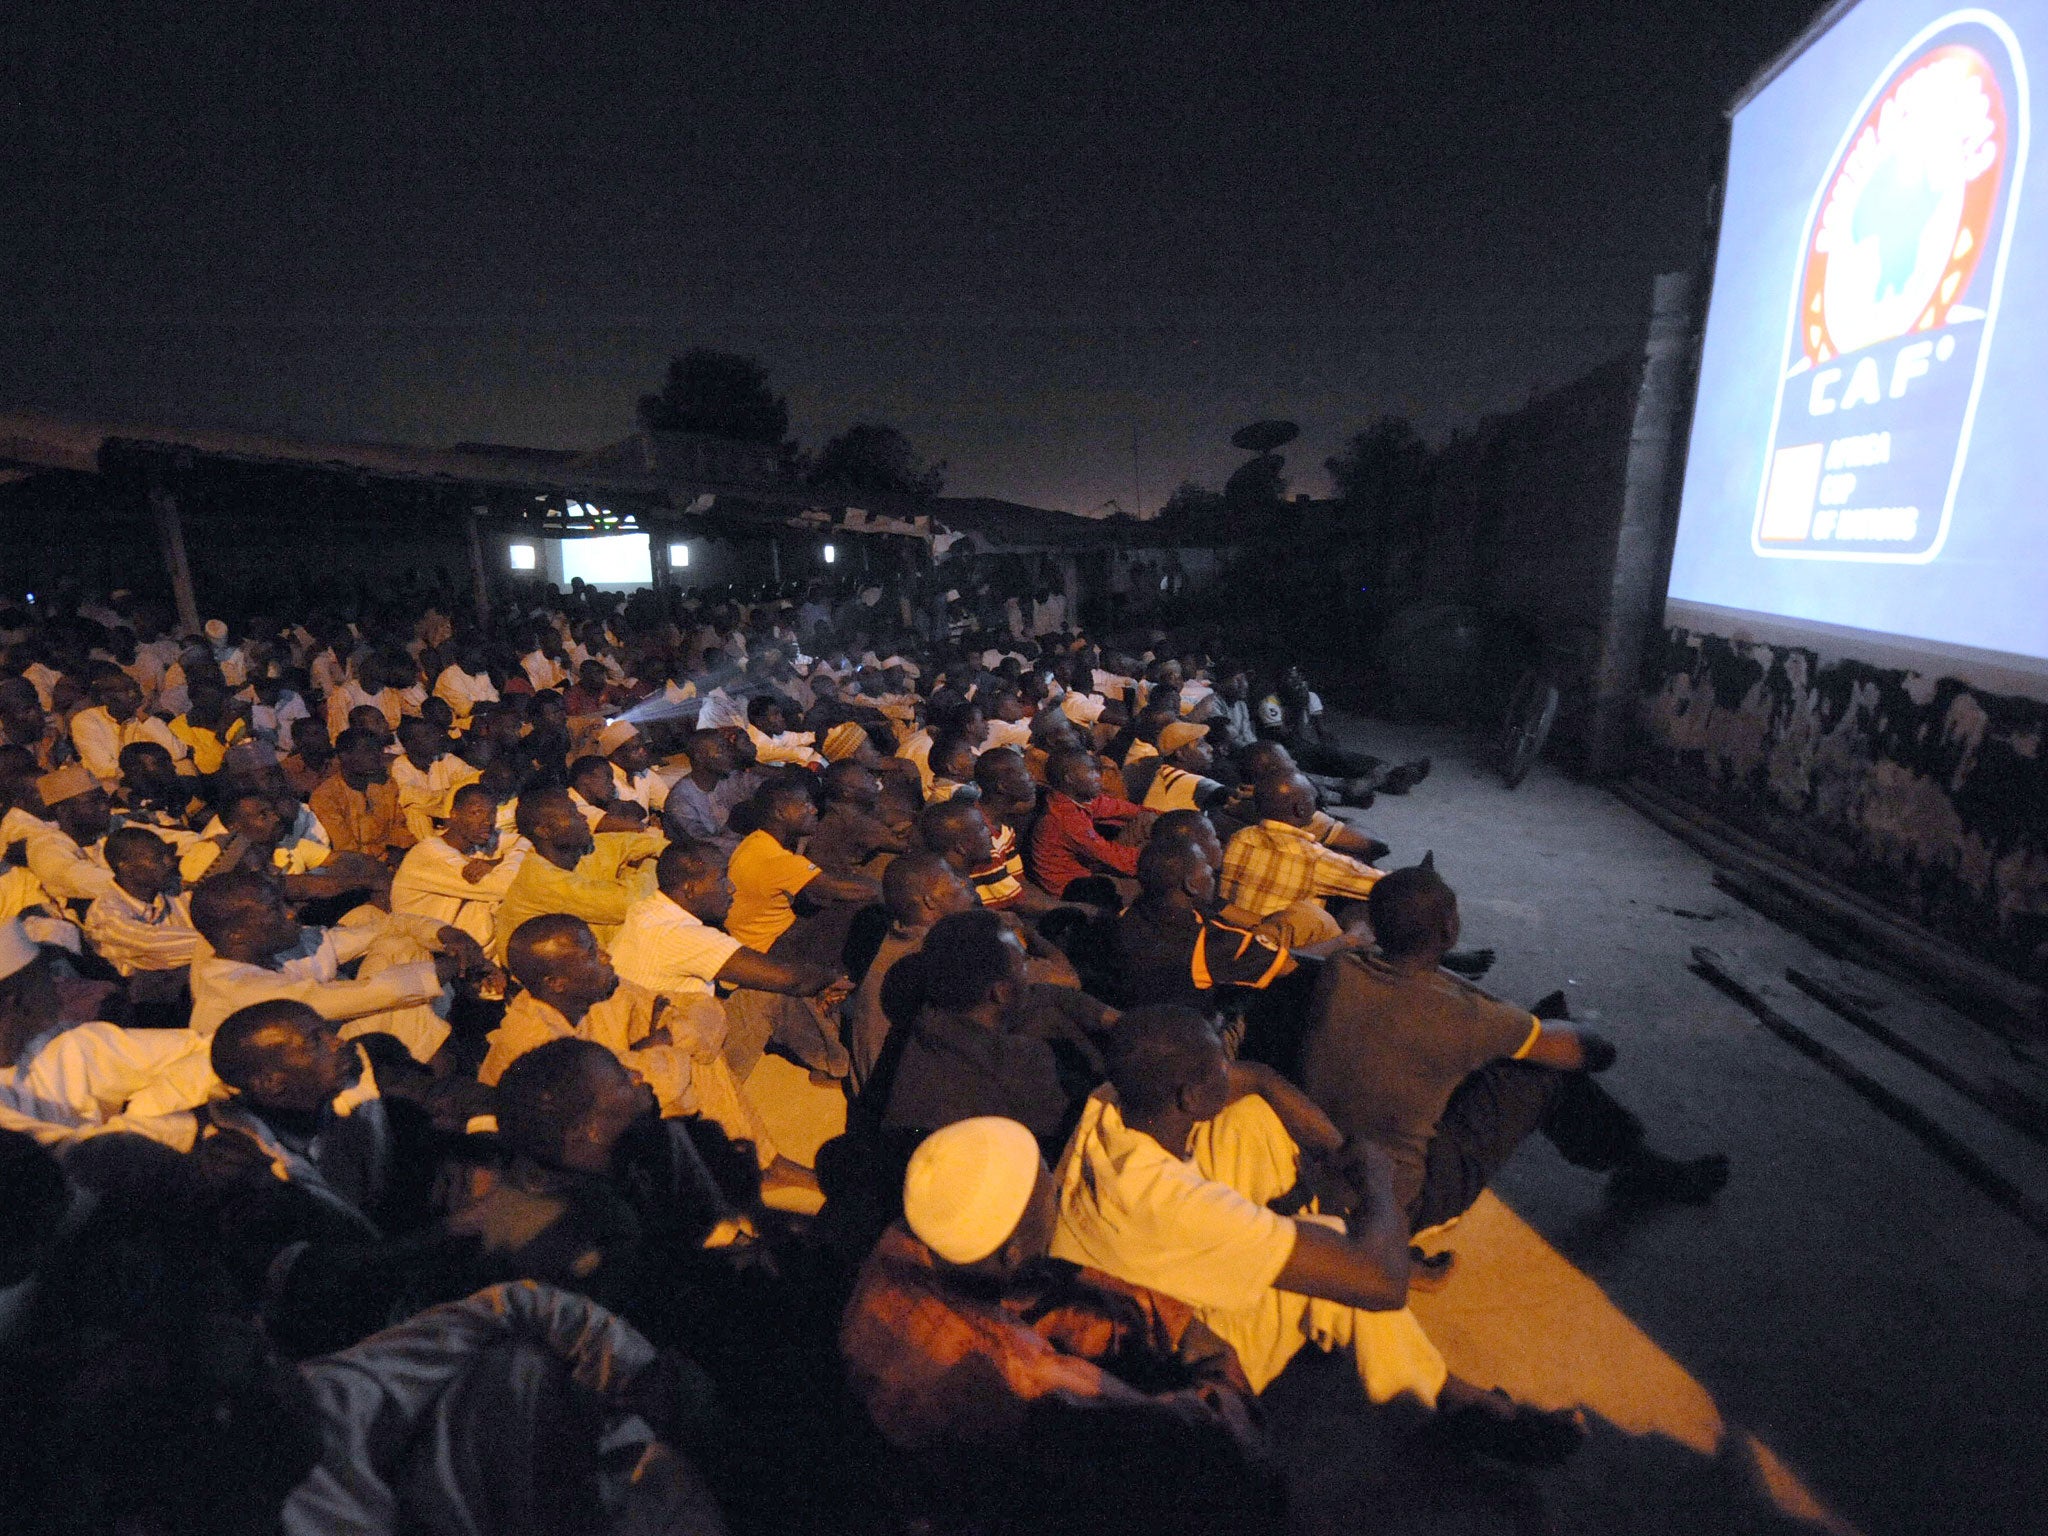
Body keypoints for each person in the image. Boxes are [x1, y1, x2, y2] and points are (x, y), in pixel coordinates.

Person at [1050, 1005, 1586, 1462]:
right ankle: (1448, 1396)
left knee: (1249, 1118)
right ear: (1191, 1095)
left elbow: (1255, 1078)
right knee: (1354, 1266)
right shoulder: (1169, 1202)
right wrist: (1375, 1180)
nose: (1228, 1069)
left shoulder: (1115, 1103)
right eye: (1218, 1065)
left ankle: (1343, 1255)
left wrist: (1337, 1152)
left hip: (1132, 1287)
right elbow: (1381, 1285)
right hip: (1178, 1356)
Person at [840, 1117, 1276, 1534]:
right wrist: (1215, 1365)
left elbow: (1046, 1294)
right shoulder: (1009, 1376)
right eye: (1049, 1199)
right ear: (1012, 1252)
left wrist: (1162, 1319)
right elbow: (1201, 1445)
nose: (1061, 1200)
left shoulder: (914, 1243)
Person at [1301, 863, 1729, 1236]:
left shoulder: (1339, 971)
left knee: (1513, 1045)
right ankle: (1644, 1168)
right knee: (1546, 1071)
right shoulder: (1465, 1019)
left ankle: (1636, 1161)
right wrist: (1549, 1028)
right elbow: (1598, 1053)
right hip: (1395, 1203)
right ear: (1450, 931)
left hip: (1330, 1168)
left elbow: (1419, 990)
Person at [483, 913, 807, 1196]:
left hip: (614, 1117)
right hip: (560, 1164)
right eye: (591, 954)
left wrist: (665, 1036)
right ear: (556, 982)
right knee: (682, 1069)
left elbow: (696, 1005)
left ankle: (763, 1163)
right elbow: (650, 1086)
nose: (606, 956)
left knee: (693, 1049)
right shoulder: (539, 1041)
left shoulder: (597, 992)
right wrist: (663, 1048)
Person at [190, 998, 426, 1242]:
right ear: (272, 1083)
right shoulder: (241, 1168)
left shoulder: (367, 1078)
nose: (337, 1043)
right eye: (315, 1041)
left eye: (328, 1031)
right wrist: (450, 1229)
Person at [611, 840, 851, 1080]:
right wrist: (830, 979)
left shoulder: (645, 911)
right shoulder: (684, 937)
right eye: (721, 879)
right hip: (667, 1065)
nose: (731, 888)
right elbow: (788, 980)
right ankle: (836, 1064)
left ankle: (832, 1056)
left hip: (638, 1042)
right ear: (690, 889)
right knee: (767, 992)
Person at [186, 871, 484, 1062]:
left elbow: (386, 927)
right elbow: (368, 994)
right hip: (295, 1084)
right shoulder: (235, 990)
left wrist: (448, 935)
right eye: (274, 910)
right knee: (395, 998)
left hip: (324, 1049)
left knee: (398, 946)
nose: (291, 914)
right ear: (235, 933)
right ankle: (438, 1069)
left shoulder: (276, 949)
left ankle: (434, 1065)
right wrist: (455, 963)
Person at [879, 908, 1109, 1155]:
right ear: (1001, 992)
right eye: (1024, 961)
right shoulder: (1025, 1062)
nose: (1031, 970)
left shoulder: (922, 1030)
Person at [0, 917, 211, 1151]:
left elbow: (207, 1050)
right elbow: (65, 1153)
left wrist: (151, 1104)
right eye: (47, 977)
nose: (59, 983)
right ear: (17, 1001)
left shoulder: (65, 1044)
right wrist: (184, 1127)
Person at [847, 852, 977, 1090]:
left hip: (879, 1088)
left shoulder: (897, 938)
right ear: (930, 902)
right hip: (898, 1099)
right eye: (951, 879)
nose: (962, 883)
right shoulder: (934, 957)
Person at [492, 787, 664, 962]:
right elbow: (630, 902)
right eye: (573, 813)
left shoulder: (580, 849)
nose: (583, 817)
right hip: (549, 978)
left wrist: (645, 862)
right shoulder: (540, 881)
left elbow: (653, 844)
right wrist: (652, 863)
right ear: (544, 831)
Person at [724, 778, 877, 964]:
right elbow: (849, 890)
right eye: (805, 804)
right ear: (780, 812)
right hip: (770, 946)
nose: (813, 810)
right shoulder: (779, 861)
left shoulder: (754, 842)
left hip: (749, 941)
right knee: (861, 910)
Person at [1219, 772, 1382, 931]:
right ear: (1301, 809)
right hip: (1289, 947)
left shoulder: (1240, 837)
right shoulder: (1313, 858)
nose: (1317, 804)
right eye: (1313, 799)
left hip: (1233, 932)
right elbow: (1388, 884)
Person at [388, 781, 527, 949]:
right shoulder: (430, 853)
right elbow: (504, 887)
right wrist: (501, 862)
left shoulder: (478, 841)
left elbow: (526, 843)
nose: (487, 821)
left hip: (460, 942)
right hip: (420, 948)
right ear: (454, 815)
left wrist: (496, 862)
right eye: (476, 813)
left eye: (492, 814)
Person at [1026, 748, 1151, 901]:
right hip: (1074, 890)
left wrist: (1171, 818)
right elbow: (1112, 857)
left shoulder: (1078, 798)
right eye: (1091, 772)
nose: (1099, 778)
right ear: (1070, 779)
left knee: (1148, 818)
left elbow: (1132, 810)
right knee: (1153, 886)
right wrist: (1157, 861)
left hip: (1091, 869)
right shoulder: (1065, 818)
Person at [83, 826, 201, 984]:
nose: (169, 862)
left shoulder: (174, 888)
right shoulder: (105, 914)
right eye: (157, 858)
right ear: (125, 866)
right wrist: (222, 944)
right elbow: (151, 944)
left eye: (167, 854)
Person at [1, 764, 119, 906]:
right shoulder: (44, 844)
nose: (105, 807)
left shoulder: (104, 825)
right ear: (63, 811)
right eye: (92, 802)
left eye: (104, 799)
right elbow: (76, 879)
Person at [308, 727, 413, 865]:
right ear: (344, 756)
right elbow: (345, 848)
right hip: (356, 869)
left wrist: (398, 851)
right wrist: (385, 855)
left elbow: (399, 827)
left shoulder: (385, 783)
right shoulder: (325, 797)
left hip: (394, 857)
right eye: (368, 750)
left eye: (378, 749)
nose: (377, 755)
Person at [69, 668, 190, 787]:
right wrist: (145, 772)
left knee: (184, 766)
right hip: (111, 784)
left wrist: (144, 718)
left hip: (147, 779)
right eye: (125, 690)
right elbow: (103, 768)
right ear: (105, 698)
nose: (134, 694)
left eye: (135, 688)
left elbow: (177, 753)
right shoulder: (86, 719)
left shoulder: (142, 718)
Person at [661, 728, 760, 853]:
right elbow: (702, 843)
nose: (729, 754)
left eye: (727, 749)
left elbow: (770, 790)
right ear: (700, 758)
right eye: (721, 750)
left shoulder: (733, 778)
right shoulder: (680, 800)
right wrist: (755, 847)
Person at [807, 759, 908, 882]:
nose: (872, 777)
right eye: (864, 775)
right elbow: (906, 845)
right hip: (838, 889)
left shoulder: (845, 809)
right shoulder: (853, 821)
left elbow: (892, 816)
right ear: (847, 792)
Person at [388, 716, 475, 845]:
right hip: (421, 831)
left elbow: (472, 780)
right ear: (410, 744)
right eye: (428, 735)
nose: (437, 738)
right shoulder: (400, 767)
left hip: (450, 824)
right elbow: (412, 798)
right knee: (414, 812)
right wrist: (452, 801)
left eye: (434, 733)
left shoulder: (445, 759)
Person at [1142, 721, 1246, 814]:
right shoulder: (1180, 779)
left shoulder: (1165, 773)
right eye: (1200, 745)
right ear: (1181, 753)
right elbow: (1228, 795)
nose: (1210, 748)